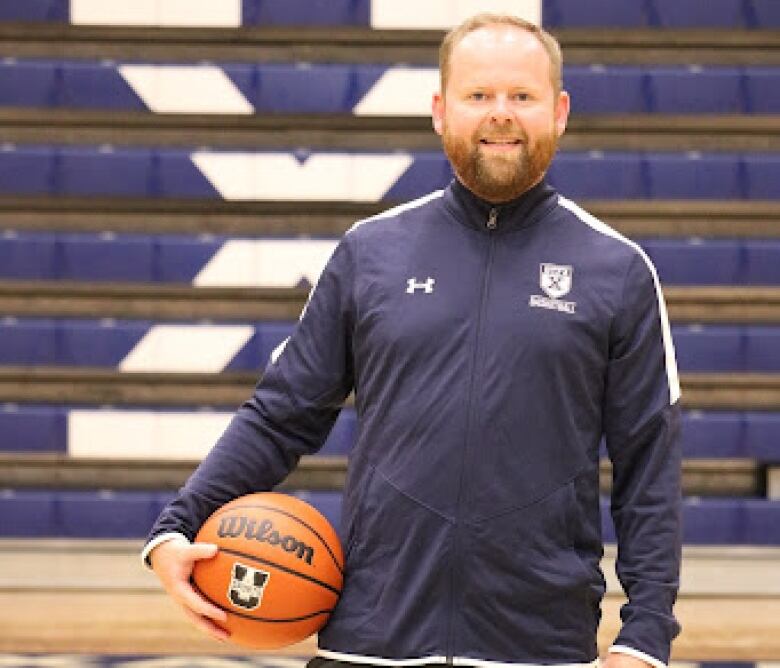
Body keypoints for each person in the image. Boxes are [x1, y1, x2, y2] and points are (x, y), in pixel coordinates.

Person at [143, 13, 682, 668]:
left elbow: (646, 466)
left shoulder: (618, 271)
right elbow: (281, 415)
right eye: (478, 96)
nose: (500, 115)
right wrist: (177, 525)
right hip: (370, 642)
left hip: (539, 650)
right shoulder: (370, 253)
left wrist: (645, 637)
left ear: (559, 111)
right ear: (439, 110)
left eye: (522, 96)